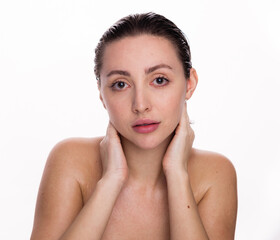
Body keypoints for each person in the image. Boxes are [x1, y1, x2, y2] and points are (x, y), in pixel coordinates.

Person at [30, 12, 237, 240]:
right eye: (121, 84)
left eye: (159, 80)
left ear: (190, 83)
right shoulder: (70, 160)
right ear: (101, 93)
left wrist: (178, 174)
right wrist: (111, 180)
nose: (140, 105)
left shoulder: (215, 173)